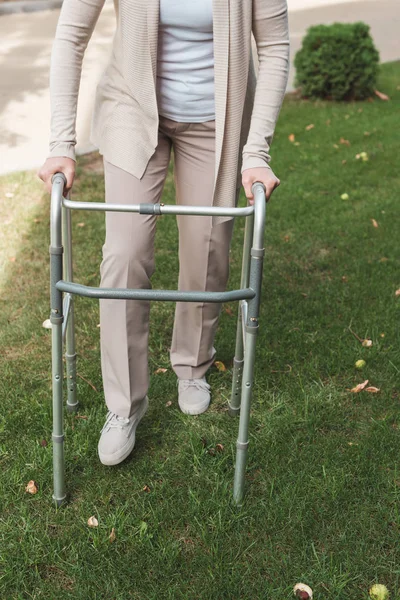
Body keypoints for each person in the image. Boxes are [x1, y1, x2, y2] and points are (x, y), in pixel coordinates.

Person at [38, 0, 290, 467]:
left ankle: (193, 364)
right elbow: (71, 35)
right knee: (125, 253)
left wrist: (256, 151)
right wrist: (61, 144)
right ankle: (123, 404)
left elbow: (274, 48)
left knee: (207, 245)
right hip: (133, 111)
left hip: (218, 118)